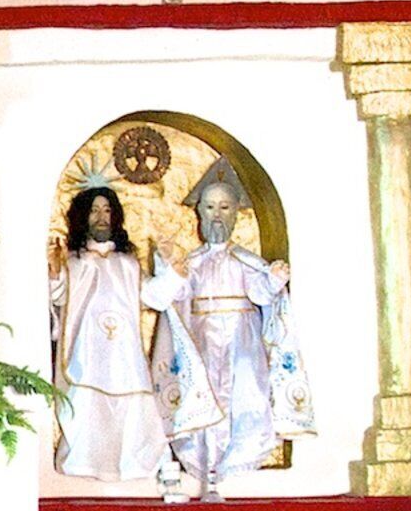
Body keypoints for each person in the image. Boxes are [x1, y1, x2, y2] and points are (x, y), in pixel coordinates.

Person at [158, 164, 314, 491]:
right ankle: (203, 462)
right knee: (203, 394)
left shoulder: (246, 261)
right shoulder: (194, 263)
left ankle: (238, 459)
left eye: (225, 208)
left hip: (241, 341)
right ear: (199, 214)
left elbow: (259, 291)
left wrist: (273, 280)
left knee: (246, 395)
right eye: (210, 207)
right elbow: (176, 295)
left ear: (235, 216)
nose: (217, 215)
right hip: (202, 337)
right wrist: (170, 268)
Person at [52, 186, 192, 481]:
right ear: (83, 217)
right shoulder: (75, 264)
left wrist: (173, 274)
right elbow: (58, 295)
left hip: (124, 354)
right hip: (87, 354)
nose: (101, 217)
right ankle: (83, 463)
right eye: (94, 211)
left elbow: (152, 297)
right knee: (87, 406)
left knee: (133, 407)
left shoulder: (128, 265)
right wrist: (54, 273)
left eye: (107, 211)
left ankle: (136, 464)